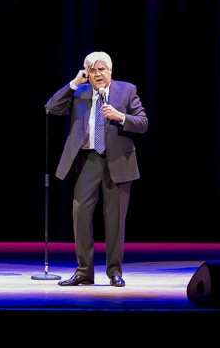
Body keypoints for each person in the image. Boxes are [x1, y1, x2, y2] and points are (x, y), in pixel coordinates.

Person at [46, 51, 148, 286]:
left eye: (101, 69)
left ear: (110, 70)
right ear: (87, 74)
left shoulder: (127, 90)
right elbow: (52, 108)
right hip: (88, 160)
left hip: (118, 162)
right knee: (80, 213)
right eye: (92, 70)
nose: (97, 74)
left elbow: (143, 123)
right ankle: (84, 271)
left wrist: (120, 117)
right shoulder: (80, 92)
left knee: (115, 219)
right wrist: (74, 83)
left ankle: (114, 272)